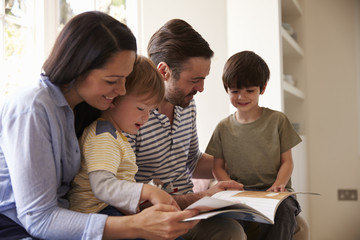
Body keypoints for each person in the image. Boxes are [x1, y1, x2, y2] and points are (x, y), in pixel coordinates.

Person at [0, 11, 198, 240]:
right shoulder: (32, 108)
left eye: (125, 79)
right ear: (78, 68)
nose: (122, 91)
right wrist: (136, 225)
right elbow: (40, 219)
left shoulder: (83, 108)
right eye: (112, 81)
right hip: (14, 226)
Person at [125, 19, 247, 240]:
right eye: (195, 80)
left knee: (236, 229)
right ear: (164, 71)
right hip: (157, 216)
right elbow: (128, 194)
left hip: (189, 212)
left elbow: (192, 161)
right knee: (231, 233)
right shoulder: (132, 115)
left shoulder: (187, 104)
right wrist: (202, 196)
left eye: (203, 79)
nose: (201, 88)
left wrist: (242, 162)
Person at [205, 50, 302, 239]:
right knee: (229, 219)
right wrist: (231, 187)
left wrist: (278, 185)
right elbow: (217, 167)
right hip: (240, 194)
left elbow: (287, 162)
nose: (242, 97)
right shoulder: (222, 127)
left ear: (262, 88)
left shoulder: (278, 120)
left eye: (250, 91)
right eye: (235, 91)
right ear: (227, 89)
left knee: (284, 211)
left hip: (274, 192)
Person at [68, 55, 180, 216]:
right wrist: (147, 191)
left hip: (110, 210)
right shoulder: (103, 137)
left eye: (150, 110)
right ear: (114, 98)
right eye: (141, 108)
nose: (146, 117)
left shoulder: (117, 136)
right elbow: (103, 186)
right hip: (95, 214)